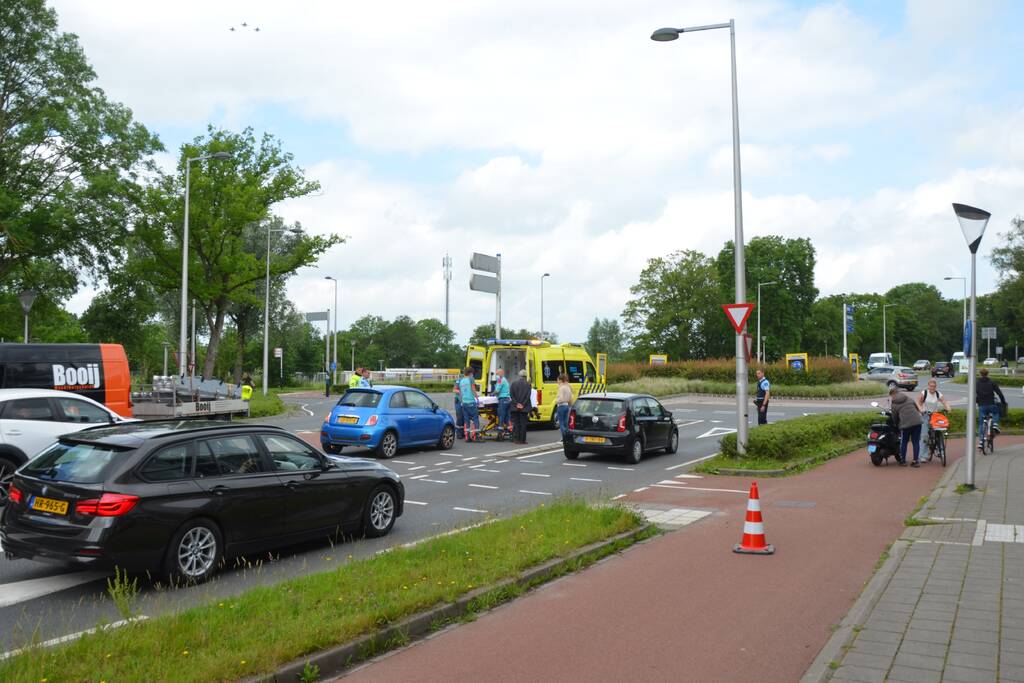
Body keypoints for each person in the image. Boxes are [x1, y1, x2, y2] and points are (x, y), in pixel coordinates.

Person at [915, 379, 951, 462]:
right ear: (928, 386)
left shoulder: (938, 394)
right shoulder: (924, 393)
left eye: (934, 386)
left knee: (939, 431)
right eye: (931, 386)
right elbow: (918, 402)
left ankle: (940, 448)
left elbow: (944, 402)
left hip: (935, 416)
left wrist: (948, 407)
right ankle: (923, 456)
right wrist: (921, 409)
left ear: (936, 386)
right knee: (924, 435)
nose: (932, 388)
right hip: (925, 415)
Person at [890, 386, 923, 467]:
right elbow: (917, 409)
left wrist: (897, 424)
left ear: (893, 395)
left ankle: (903, 461)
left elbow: (894, 417)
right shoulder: (909, 398)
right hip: (917, 422)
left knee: (904, 442)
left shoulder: (894, 404)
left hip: (905, 425)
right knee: (915, 442)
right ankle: (916, 461)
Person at [977, 368, 1007, 448]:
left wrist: (977, 401)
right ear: (987, 374)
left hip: (981, 405)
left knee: (981, 423)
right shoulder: (992, 382)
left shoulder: (977, 383)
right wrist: (1003, 401)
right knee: (996, 412)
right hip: (991, 404)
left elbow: (974, 393)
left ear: (980, 374)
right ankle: (995, 425)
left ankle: (981, 441)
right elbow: (999, 393)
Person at [510, 369, 533, 445]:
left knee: (516, 423)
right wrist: (522, 404)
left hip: (515, 406)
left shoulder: (513, 383)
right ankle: (522, 440)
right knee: (523, 424)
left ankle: (516, 439)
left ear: (519, 375)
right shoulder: (528, 384)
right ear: (525, 376)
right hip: (524, 407)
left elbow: (511, 395)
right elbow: (528, 396)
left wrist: (517, 404)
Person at [458, 367, 480, 441]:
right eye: (472, 373)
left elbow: (460, 393)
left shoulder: (461, 380)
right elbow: (473, 389)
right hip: (471, 402)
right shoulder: (471, 379)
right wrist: (477, 398)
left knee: (466, 420)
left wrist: (462, 401)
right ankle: (476, 436)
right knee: (475, 418)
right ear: (470, 373)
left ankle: (467, 437)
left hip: (464, 403)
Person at [493, 369, 512, 438]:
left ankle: (500, 433)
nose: (496, 376)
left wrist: (492, 394)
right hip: (508, 400)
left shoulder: (500, 380)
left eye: (497, 374)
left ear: (501, 373)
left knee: (501, 416)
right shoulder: (505, 380)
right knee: (507, 417)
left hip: (503, 400)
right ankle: (511, 431)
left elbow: (497, 390)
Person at [555, 373, 573, 441]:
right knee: (566, 423)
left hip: (561, 406)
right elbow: (571, 397)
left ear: (560, 380)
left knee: (561, 423)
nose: (557, 381)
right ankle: (567, 437)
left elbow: (561, 398)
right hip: (567, 405)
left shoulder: (561, 388)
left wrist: (556, 401)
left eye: (558, 380)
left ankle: (564, 437)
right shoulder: (568, 387)